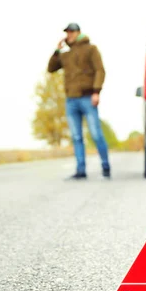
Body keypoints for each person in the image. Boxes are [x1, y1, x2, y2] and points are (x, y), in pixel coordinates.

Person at [47, 22, 111, 180]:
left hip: (88, 97)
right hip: (71, 99)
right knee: (76, 136)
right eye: (67, 32)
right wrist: (57, 50)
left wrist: (96, 91)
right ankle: (80, 170)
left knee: (96, 134)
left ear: (78, 32)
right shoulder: (65, 54)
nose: (69, 35)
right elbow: (51, 68)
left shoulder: (91, 49)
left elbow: (100, 70)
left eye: (71, 32)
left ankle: (105, 165)